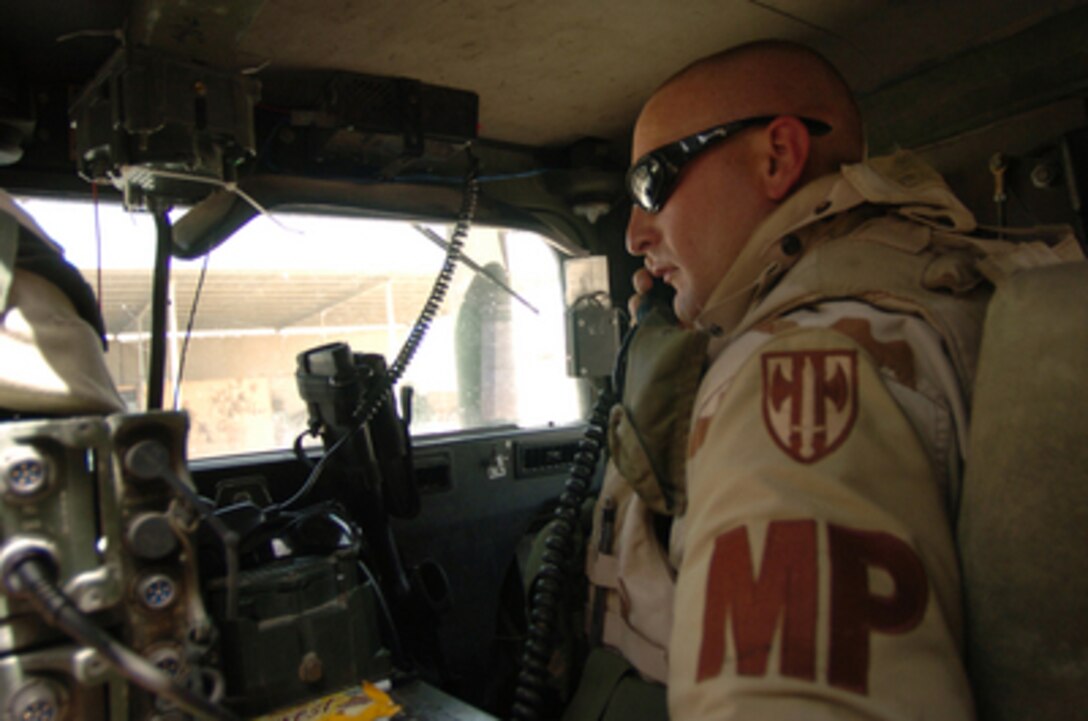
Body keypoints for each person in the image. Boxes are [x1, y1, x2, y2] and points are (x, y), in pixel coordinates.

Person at [567, 40, 1082, 720]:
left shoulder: (794, 362)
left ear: (776, 157)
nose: (634, 234)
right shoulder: (937, 289)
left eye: (651, 184)